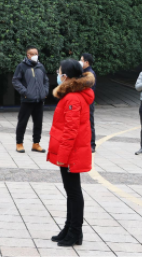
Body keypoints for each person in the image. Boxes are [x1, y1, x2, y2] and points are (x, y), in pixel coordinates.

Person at [48, 59, 94, 247]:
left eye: (59, 72)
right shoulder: (74, 95)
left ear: (65, 76)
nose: (58, 75)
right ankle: (69, 229)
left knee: (74, 193)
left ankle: (75, 231)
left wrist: (62, 157)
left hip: (71, 154)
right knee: (72, 192)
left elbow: (70, 131)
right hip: (71, 153)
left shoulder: (73, 98)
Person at [12, 45, 50, 154]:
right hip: (27, 100)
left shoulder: (40, 66)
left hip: (39, 100)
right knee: (22, 122)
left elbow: (46, 81)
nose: (35, 56)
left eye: (36, 54)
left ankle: (36, 144)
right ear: (28, 55)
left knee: (38, 123)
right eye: (33, 54)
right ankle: (19, 143)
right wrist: (25, 92)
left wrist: (45, 92)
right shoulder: (22, 66)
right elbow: (16, 81)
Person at [80, 53, 97, 153]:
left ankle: (92, 144)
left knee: (89, 123)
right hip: (82, 101)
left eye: (81, 60)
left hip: (88, 102)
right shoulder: (82, 72)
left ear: (86, 62)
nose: (80, 61)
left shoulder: (90, 74)